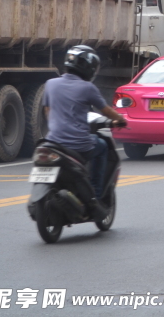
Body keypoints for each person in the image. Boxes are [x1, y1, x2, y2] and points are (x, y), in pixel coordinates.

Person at [42, 45, 127, 220]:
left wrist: (57, 127)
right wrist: (120, 120)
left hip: (52, 142)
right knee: (102, 146)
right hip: (78, 145)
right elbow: (105, 111)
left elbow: (47, 111)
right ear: (89, 67)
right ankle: (95, 194)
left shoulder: (50, 83)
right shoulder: (87, 88)